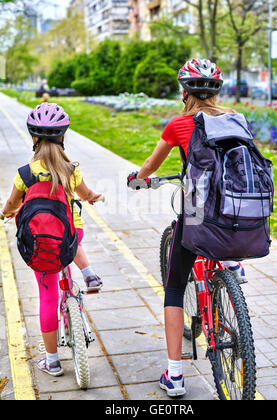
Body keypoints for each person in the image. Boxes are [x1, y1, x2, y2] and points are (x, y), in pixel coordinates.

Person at [127, 59, 247, 397]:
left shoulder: (179, 125)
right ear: (216, 92)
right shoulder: (237, 119)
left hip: (197, 211)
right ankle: (230, 264)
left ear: (185, 92)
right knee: (218, 236)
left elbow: (151, 166)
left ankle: (175, 375)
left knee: (175, 288)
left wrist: (138, 181)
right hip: (237, 212)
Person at [1, 103, 102, 377]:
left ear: (33, 138)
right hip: (69, 237)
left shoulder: (25, 174)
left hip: (40, 246)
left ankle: (53, 361)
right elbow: (85, 193)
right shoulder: (70, 170)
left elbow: (11, 204)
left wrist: (7, 213)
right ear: (63, 137)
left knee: (47, 297)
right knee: (73, 236)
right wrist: (92, 197)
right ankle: (88, 272)